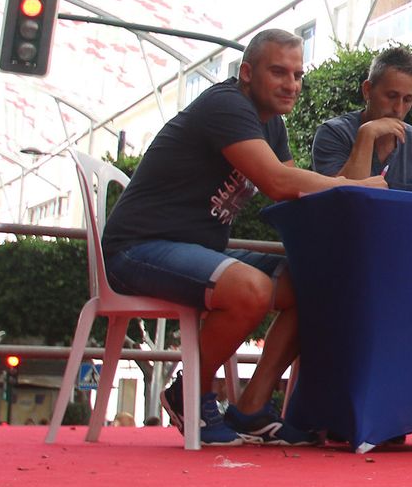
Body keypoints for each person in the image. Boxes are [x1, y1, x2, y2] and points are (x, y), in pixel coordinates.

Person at [102, 29, 387, 445]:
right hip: (137, 250)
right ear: (248, 72)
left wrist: (349, 181)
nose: (291, 84)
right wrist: (353, 188)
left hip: (196, 251)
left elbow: (298, 194)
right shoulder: (227, 105)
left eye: (297, 74)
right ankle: (188, 393)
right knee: (251, 289)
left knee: (314, 283)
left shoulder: (272, 127)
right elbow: (277, 181)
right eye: (278, 72)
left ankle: (252, 406)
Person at [310, 45, 412, 194]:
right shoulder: (333, 133)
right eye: (391, 96)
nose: (398, 109)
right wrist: (366, 135)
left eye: (407, 100)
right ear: (367, 90)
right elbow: (341, 200)